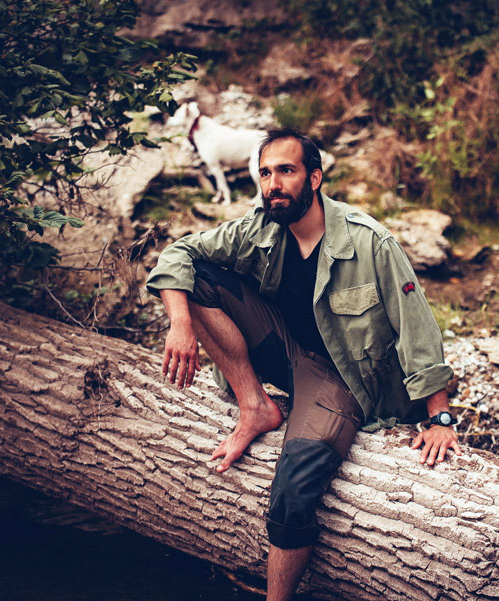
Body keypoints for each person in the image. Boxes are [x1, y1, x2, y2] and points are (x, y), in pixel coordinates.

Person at [146, 128, 461, 600]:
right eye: (265, 173)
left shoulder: (370, 242)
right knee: (199, 279)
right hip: (283, 351)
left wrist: (440, 419)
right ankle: (256, 406)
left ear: (314, 178)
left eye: (286, 171)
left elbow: (418, 329)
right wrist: (179, 324)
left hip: (340, 379)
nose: (273, 183)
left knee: (292, 493)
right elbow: (179, 254)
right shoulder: (260, 226)